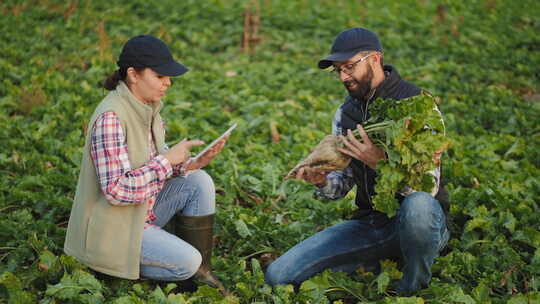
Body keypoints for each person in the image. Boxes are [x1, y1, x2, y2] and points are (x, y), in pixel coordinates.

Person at [265, 28, 450, 294]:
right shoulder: (345, 114)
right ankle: (382, 261)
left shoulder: (418, 105)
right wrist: (321, 180)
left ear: (375, 58)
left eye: (349, 67)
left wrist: (379, 163)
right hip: (372, 224)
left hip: (423, 221)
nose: (343, 76)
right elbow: (340, 188)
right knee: (278, 275)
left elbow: (426, 189)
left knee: (417, 206)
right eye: (338, 70)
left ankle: (412, 289)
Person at [64, 35, 229, 293]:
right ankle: (122, 267)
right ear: (133, 74)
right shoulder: (111, 117)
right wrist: (166, 161)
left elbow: (151, 168)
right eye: (160, 76)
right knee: (187, 261)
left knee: (199, 181)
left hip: (141, 212)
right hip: (112, 230)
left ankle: (202, 272)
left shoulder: (147, 107)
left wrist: (190, 164)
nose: (168, 83)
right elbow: (116, 191)